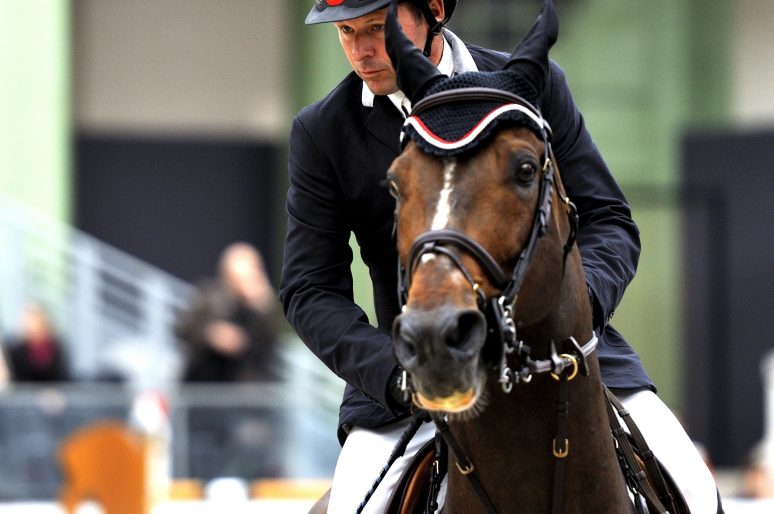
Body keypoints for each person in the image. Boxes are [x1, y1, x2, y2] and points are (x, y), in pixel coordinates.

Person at [279, 1, 722, 512]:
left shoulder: (535, 86)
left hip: (567, 366)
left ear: (435, 9)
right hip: (421, 373)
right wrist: (396, 370)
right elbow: (309, 288)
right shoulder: (323, 131)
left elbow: (609, 222)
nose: (360, 51)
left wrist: (576, 317)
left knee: (692, 483)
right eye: (345, 31)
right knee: (354, 504)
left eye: (377, 28)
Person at [175, 242, 280, 382]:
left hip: (242, 388)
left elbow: (268, 343)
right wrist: (212, 334)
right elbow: (183, 328)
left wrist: (262, 305)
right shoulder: (208, 296)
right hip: (203, 381)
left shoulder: (261, 307)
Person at [6, 302, 70, 382]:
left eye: (35, 318)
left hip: (53, 392)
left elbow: (62, 375)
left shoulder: (55, 345)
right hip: (24, 392)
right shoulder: (16, 348)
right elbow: (16, 377)